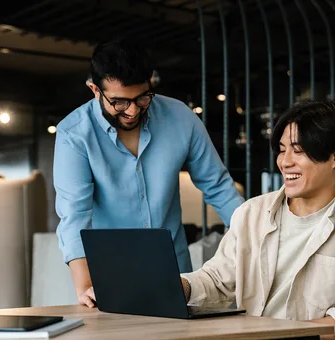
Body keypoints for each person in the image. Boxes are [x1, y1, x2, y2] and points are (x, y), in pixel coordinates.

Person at [53, 36, 243, 308]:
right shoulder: (74, 134)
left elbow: (220, 188)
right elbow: (75, 215)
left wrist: (255, 239)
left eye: (142, 98)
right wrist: (85, 288)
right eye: (119, 102)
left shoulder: (180, 117)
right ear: (95, 89)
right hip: (109, 276)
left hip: (177, 272)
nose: (132, 111)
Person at [181, 100, 335, 331]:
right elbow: (217, 281)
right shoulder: (252, 213)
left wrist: (280, 334)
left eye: (299, 150)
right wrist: (179, 287)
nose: (285, 162)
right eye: (282, 150)